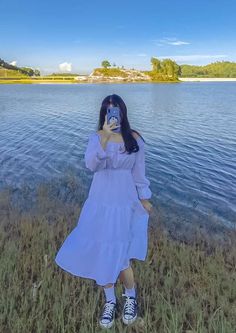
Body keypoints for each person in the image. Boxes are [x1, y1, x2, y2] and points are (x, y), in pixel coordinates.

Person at [54, 94, 153, 329]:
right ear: (103, 113)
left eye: (116, 108)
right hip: (100, 202)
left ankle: (130, 296)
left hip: (124, 202)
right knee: (102, 251)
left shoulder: (135, 138)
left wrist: (145, 198)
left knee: (122, 257)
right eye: (108, 109)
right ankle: (110, 301)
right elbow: (91, 165)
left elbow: (139, 173)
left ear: (123, 111)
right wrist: (106, 136)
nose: (112, 113)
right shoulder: (97, 137)